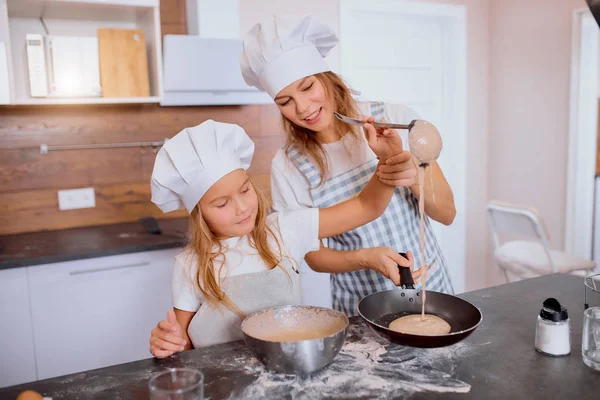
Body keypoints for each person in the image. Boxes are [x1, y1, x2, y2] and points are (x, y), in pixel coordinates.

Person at [240, 14, 456, 316]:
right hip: (359, 306)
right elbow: (312, 255)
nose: (302, 108)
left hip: (430, 292)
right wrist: (366, 257)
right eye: (285, 101)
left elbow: (447, 214)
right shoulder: (288, 165)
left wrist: (413, 178)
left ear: (326, 76)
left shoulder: (393, 120)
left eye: (307, 87)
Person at [148, 119, 418, 358]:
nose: (242, 207)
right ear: (199, 214)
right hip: (222, 384)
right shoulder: (189, 264)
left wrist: (387, 162)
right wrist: (169, 343)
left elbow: (365, 206)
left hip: (286, 368)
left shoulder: (283, 229)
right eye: (221, 204)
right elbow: (183, 348)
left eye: (245, 190)